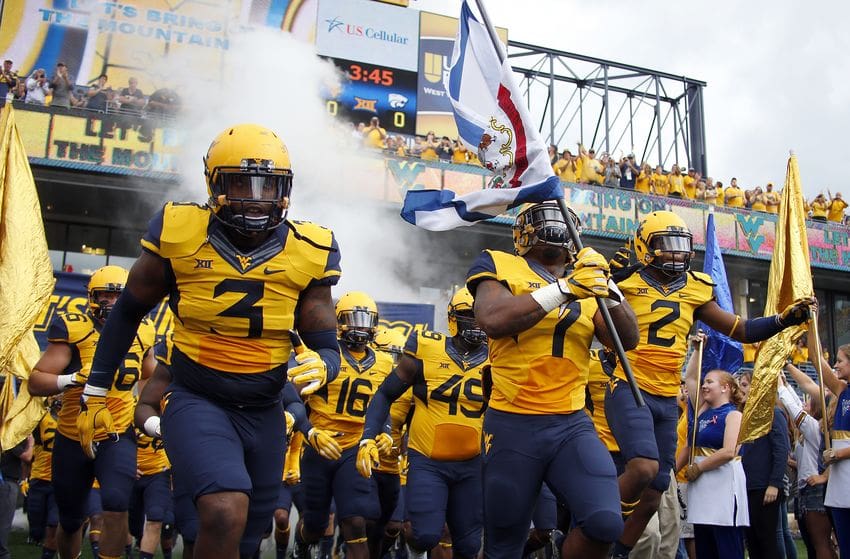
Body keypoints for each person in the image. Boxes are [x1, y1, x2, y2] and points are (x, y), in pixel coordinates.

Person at [77, 123, 342, 559]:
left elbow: (325, 342)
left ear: (286, 189)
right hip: (199, 397)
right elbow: (127, 310)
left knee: (247, 536)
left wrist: (325, 364)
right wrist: (95, 389)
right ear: (213, 182)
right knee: (223, 511)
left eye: (268, 185)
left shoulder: (309, 248)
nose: (255, 197)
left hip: (266, 408)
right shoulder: (180, 230)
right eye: (241, 182)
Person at [604, 210, 813, 559]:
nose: (675, 254)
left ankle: (618, 550)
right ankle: (593, 519)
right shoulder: (624, 282)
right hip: (629, 384)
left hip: (666, 396)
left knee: (656, 489)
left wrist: (781, 320)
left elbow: (741, 329)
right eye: (665, 246)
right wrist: (605, 281)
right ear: (644, 247)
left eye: (680, 246)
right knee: (643, 468)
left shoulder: (694, 288)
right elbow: (584, 308)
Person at [465, 201, 640, 558]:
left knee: (605, 522)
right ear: (521, 233)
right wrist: (564, 288)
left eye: (560, 217)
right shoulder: (498, 262)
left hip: (571, 423)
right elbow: (493, 319)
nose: (553, 223)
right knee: (504, 546)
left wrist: (608, 285)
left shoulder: (587, 279)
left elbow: (627, 339)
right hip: (513, 422)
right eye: (541, 217)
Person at [28, 265, 156, 559]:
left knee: (115, 502)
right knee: (71, 520)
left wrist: (149, 411)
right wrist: (70, 379)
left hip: (117, 433)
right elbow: (36, 382)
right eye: (105, 296)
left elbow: (149, 375)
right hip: (73, 435)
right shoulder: (74, 328)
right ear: (92, 298)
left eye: (118, 296)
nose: (111, 303)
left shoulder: (144, 330)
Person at [359, 287, 489, 559]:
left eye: (482, 315)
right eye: (469, 315)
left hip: (473, 463)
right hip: (428, 461)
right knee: (424, 535)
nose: (477, 323)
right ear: (453, 318)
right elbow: (385, 393)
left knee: (468, 545)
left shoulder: (499, 357)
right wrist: (370, 436)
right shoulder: (427, 347)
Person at [291, 291, 391, 559]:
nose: (360, 327)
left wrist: (386, 432)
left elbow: (385, 402)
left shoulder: (384, 361)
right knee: (315, 525)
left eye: (365, 321)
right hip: (320, 446)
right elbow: (293, 399)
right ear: (338, 322)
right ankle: (301, 544)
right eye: (353, 320)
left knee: (356, 520)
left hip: (355, 448)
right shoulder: (323, 356)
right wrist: (308, 431)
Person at [681, 334, 748, 559]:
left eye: (710, 381)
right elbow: (690, 378)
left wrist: (699, 468)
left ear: (726, 387)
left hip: (723, 489)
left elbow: (729, 451)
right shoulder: (701, 411)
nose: (704, 385)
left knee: (727, 549)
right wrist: (697, 350)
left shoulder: (733, 415)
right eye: (705, 381)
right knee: (705, 549)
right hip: (701, 490)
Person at [778, 365, 834, 559]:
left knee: (821, 545)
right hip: (805, 490)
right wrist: (784, 383)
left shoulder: (816, 428)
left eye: (809, 402)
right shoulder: (811, 427)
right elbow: (795, 404)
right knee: (813, 545)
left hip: (814, 491)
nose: (804, 404)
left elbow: (795, 411)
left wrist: (780, 388)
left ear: (817, 408)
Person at [737, 371, 790, 559]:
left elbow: (782, 449)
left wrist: (774, 484)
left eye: (744, 385)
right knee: (752, 542)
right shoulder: (742, 417)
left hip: (765, 487)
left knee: (767, 541)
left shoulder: (773, 413)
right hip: (747, 487)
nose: (740, 389)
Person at [807, 332, 850, 558]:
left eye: (840, 360)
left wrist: (839, 453)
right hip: (841, 479)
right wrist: (809, 325)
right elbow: (817, 361)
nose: (835, 365)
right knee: (843, 541)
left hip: (843, 467)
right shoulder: (843, 391)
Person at [0, 431, 33, 559]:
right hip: (6, 482)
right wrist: (30, 443)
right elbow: (27, 457)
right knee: (4, 524)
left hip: (9, 481)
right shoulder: (10, 433)